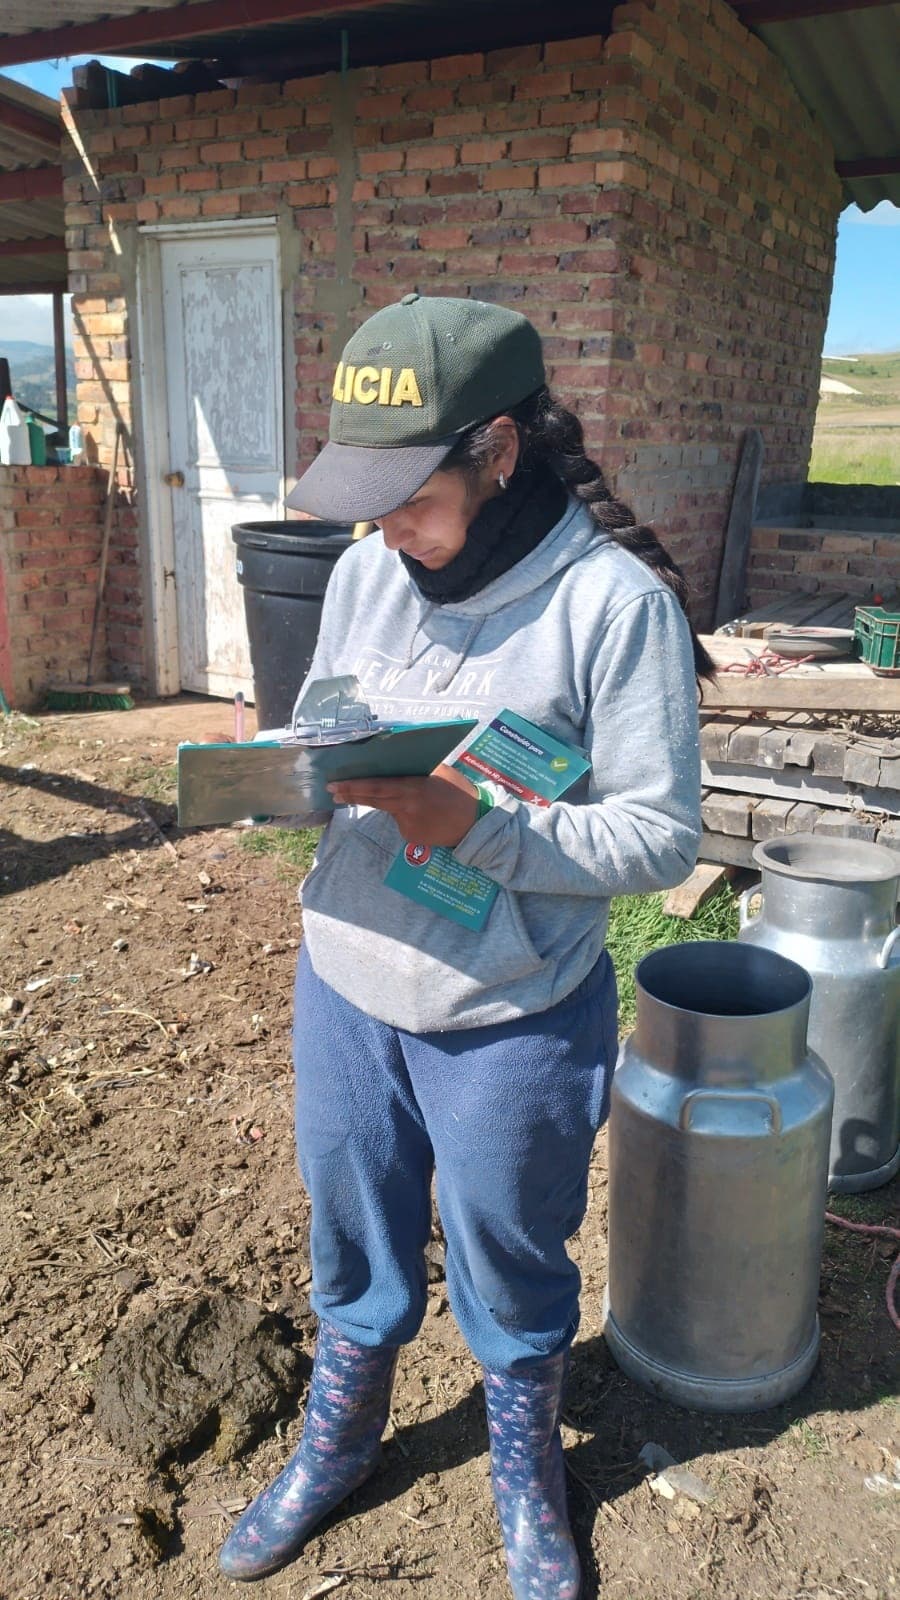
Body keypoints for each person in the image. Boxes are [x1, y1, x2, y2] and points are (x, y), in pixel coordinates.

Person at [218, 294, 710, 1598]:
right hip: (347, 984)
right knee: (355, 1234)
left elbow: (660, 842)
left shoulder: (614, 611)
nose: (385, 529)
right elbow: (328, 716)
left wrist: (476, 828)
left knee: (509, 1249)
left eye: (409, 496)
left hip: (510, 1015)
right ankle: (340, 1439)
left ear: (497, 454)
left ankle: (523, 1468)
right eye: (368, 500)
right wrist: (287, 768)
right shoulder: (371, 568)